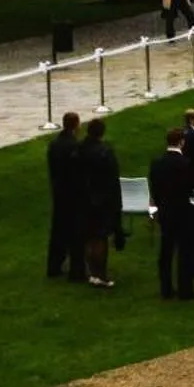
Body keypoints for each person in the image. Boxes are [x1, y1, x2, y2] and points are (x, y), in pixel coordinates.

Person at [148, 128, 194, 299]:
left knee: (166, 251)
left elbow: (154, 188)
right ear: (182, 142)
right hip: (184, 211)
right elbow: (192, 187)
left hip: (165, 210)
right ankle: (186, 290)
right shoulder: (186, 163)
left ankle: (166, 288)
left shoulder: (157, 163)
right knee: (185, 251)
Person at [78, 118, 122, 290]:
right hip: (102, 200)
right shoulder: (105, 152)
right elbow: (112, 179)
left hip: (85, 198)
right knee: (100, 237)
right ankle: (100, 274)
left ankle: (92, 272)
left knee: (90, 237)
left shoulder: (80, 149)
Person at [47, 111, 87, 283]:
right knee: (75, 233)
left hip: (59, 192)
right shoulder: (74, 146)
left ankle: (53, 266)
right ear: (76, 125)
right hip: (73, 194)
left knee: (58, 231)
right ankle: (77, 270)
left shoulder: (54, 144)